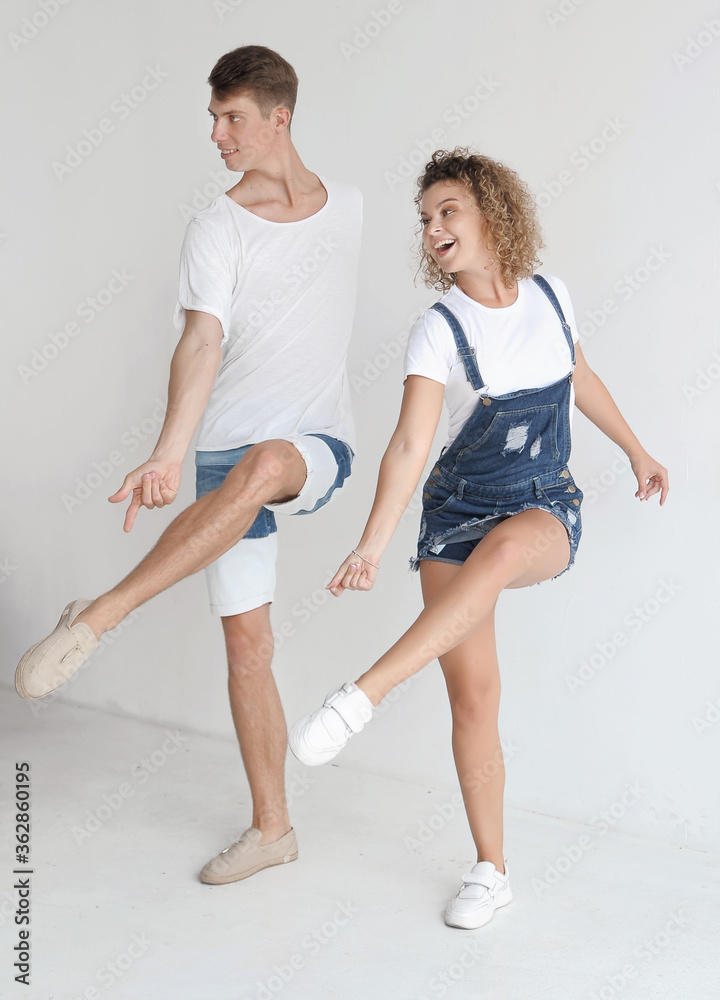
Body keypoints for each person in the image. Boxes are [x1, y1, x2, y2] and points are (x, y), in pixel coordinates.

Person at [288, 148, 668, 929]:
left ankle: (363, 696)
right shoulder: (438, 331)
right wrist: (370, 543)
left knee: (500, 559)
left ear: (492, 212)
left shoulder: (553, 296)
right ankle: (491, 871)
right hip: (455, 512)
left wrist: (636, 448)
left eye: (447, 211)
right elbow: (407, 447)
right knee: (474, 696)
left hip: (543, 505)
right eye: (424, 219)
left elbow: (580, 377)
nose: (432, 229)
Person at [15, 45, 362, 885]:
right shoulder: (215, 226)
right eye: (212, 118)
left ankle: (99, 615)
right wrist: (170, 454)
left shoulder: (348, 207)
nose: (216, 134)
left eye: (232, 118)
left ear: (279, 118)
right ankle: (273, 829)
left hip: (313, 447)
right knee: (250, 647)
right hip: (221, 456)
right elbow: (201, 339)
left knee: (270, 460)